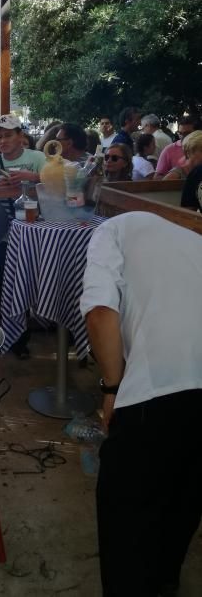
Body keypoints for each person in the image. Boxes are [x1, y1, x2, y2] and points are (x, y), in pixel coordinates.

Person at [80, 212, 202, 597]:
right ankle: (165, 578)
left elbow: (100, 313)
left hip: (157, 389)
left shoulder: (109, 231)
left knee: (126, 510)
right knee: (185, 496)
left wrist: (111, 388)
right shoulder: (190, 241)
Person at [0, 114, 45, 320]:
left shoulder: (37, 158)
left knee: (23, 283)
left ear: (19, 135)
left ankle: (21, 336)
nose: (3, 140)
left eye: (7, 135)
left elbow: (56, 183)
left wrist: (31, 178)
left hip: (30, 232)